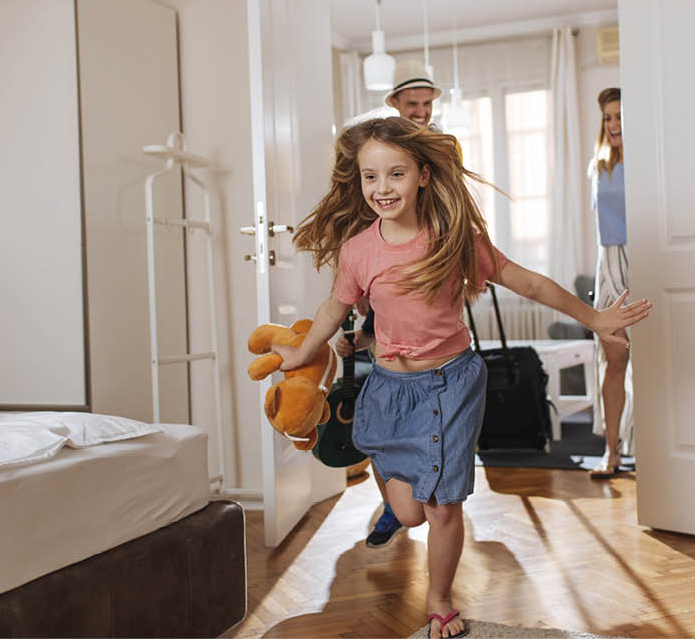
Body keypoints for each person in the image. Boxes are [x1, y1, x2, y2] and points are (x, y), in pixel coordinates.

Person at [273, 117, 650, 638]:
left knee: (442, 509)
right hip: (387, 390)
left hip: (449, 385)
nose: (382, 188)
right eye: (370, 176)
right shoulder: (358, 250)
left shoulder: (453, 240)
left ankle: (440, 600)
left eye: (396, 174)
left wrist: (596, 319)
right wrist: (302, 353)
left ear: (423, 175)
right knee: (409, 514)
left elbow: (528, 283)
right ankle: (395, 485)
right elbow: (333, 309)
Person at [333, 58, 446, 550]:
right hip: (380, 263)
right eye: (412, 104)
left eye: (426, 104)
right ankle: (393, 504)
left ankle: (425, 496)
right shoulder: (379, 152)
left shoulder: (439, 151)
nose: (420, 112)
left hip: (429, 262)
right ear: (395, 104)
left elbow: (457, 204)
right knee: (379, 323)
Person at [587, 87, 635, 479]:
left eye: (620, 116)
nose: (613, 124)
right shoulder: (598, 165)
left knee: (655, 363)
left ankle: (657, 449)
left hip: (646, 259)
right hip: (610, 264)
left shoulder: (650, 160)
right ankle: (612, 451)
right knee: (614, 361)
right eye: (608, 117)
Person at [385, 59, 441, 127]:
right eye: (412, 104)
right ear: (395, 103)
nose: (421, 113)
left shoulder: (440, 133)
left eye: (427, 103)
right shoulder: (384, 133)